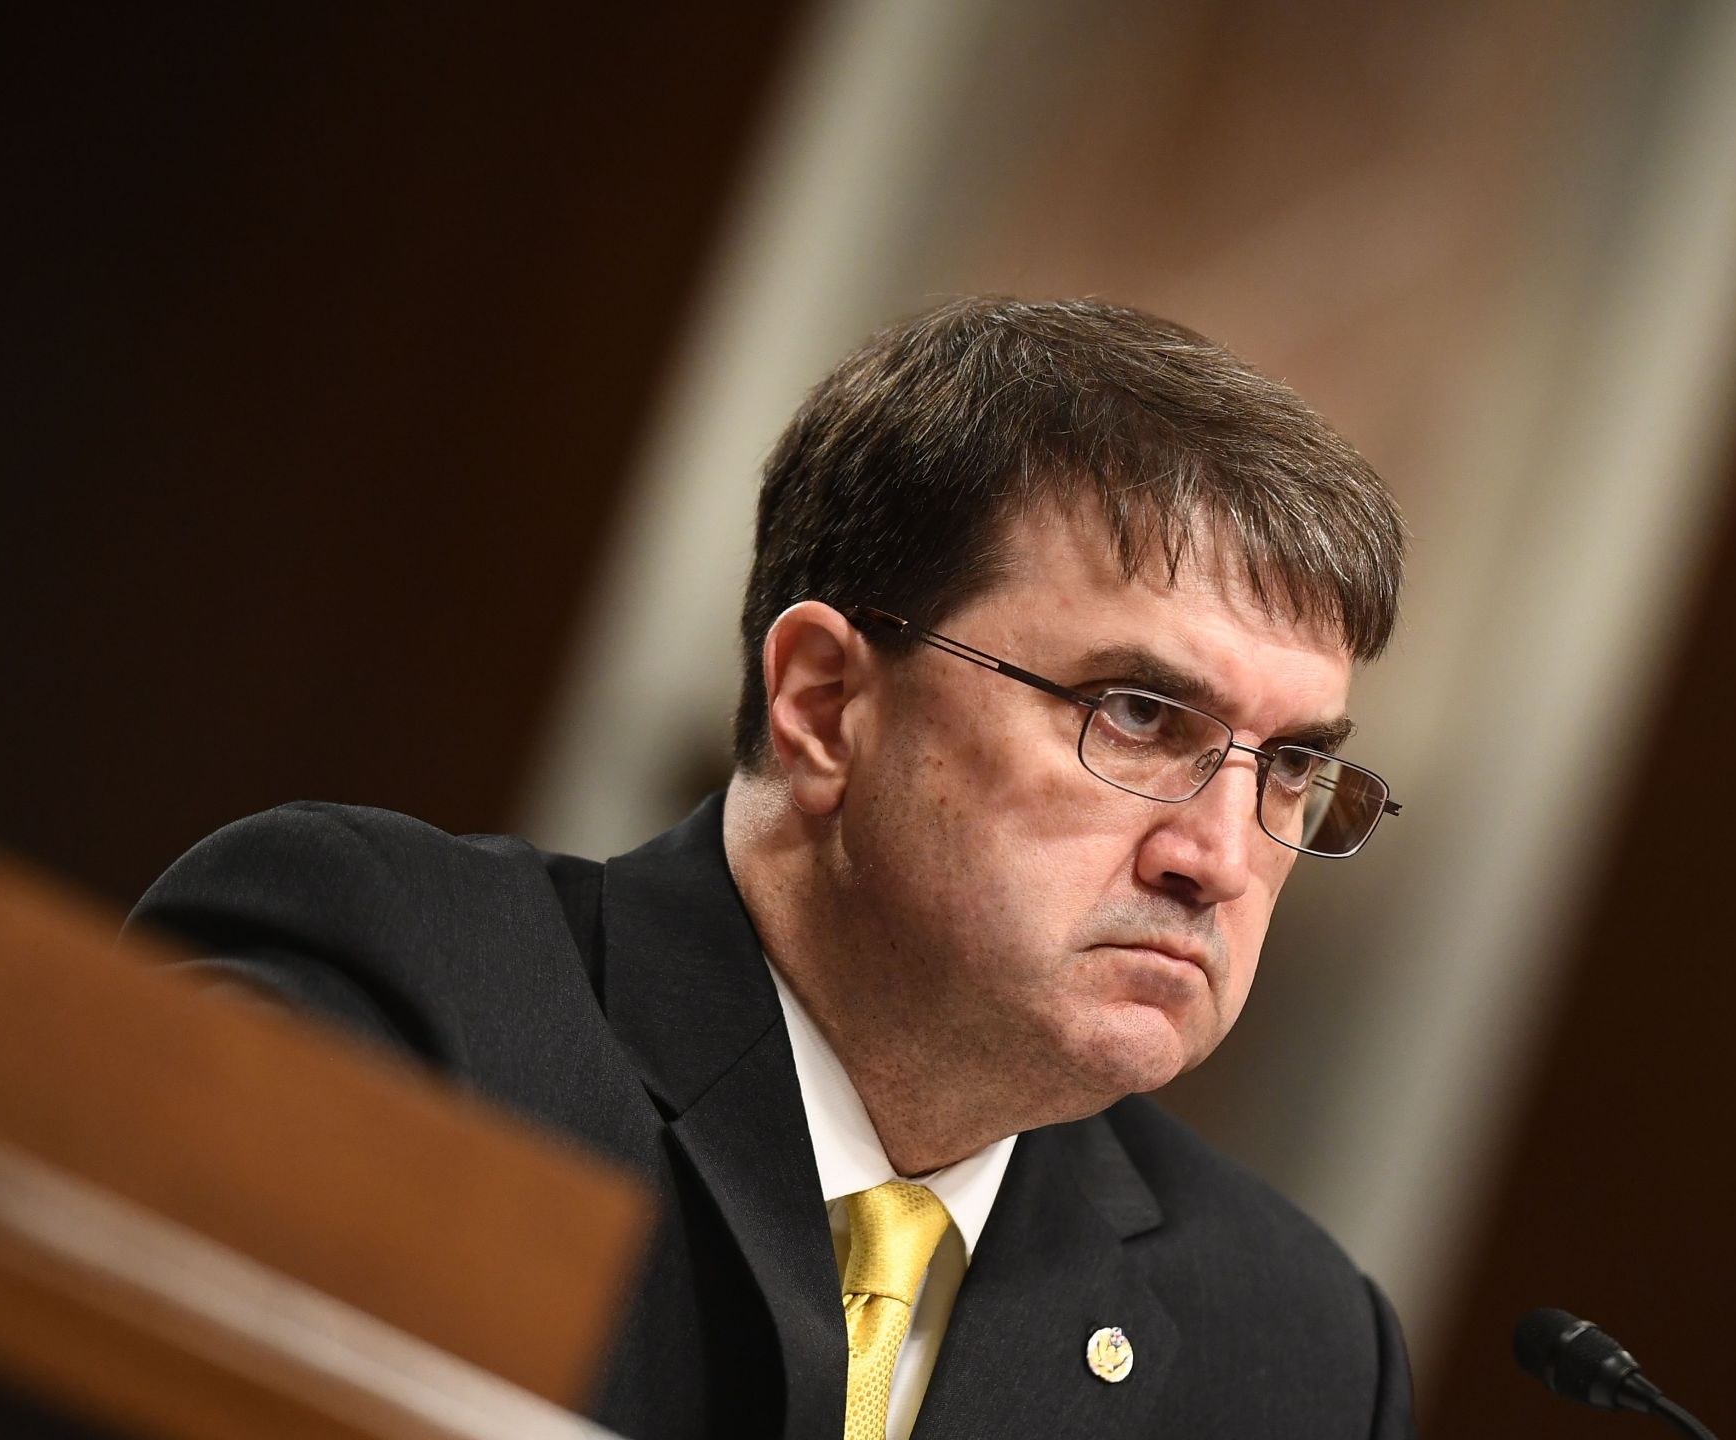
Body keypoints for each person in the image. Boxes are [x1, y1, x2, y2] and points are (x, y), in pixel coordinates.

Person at [131, 297, 1416, 1439]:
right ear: (822, 702)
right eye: (1136, 714)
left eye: (1292, 765)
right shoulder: (411, 996)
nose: (1218, 855)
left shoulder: (1293, 1349)